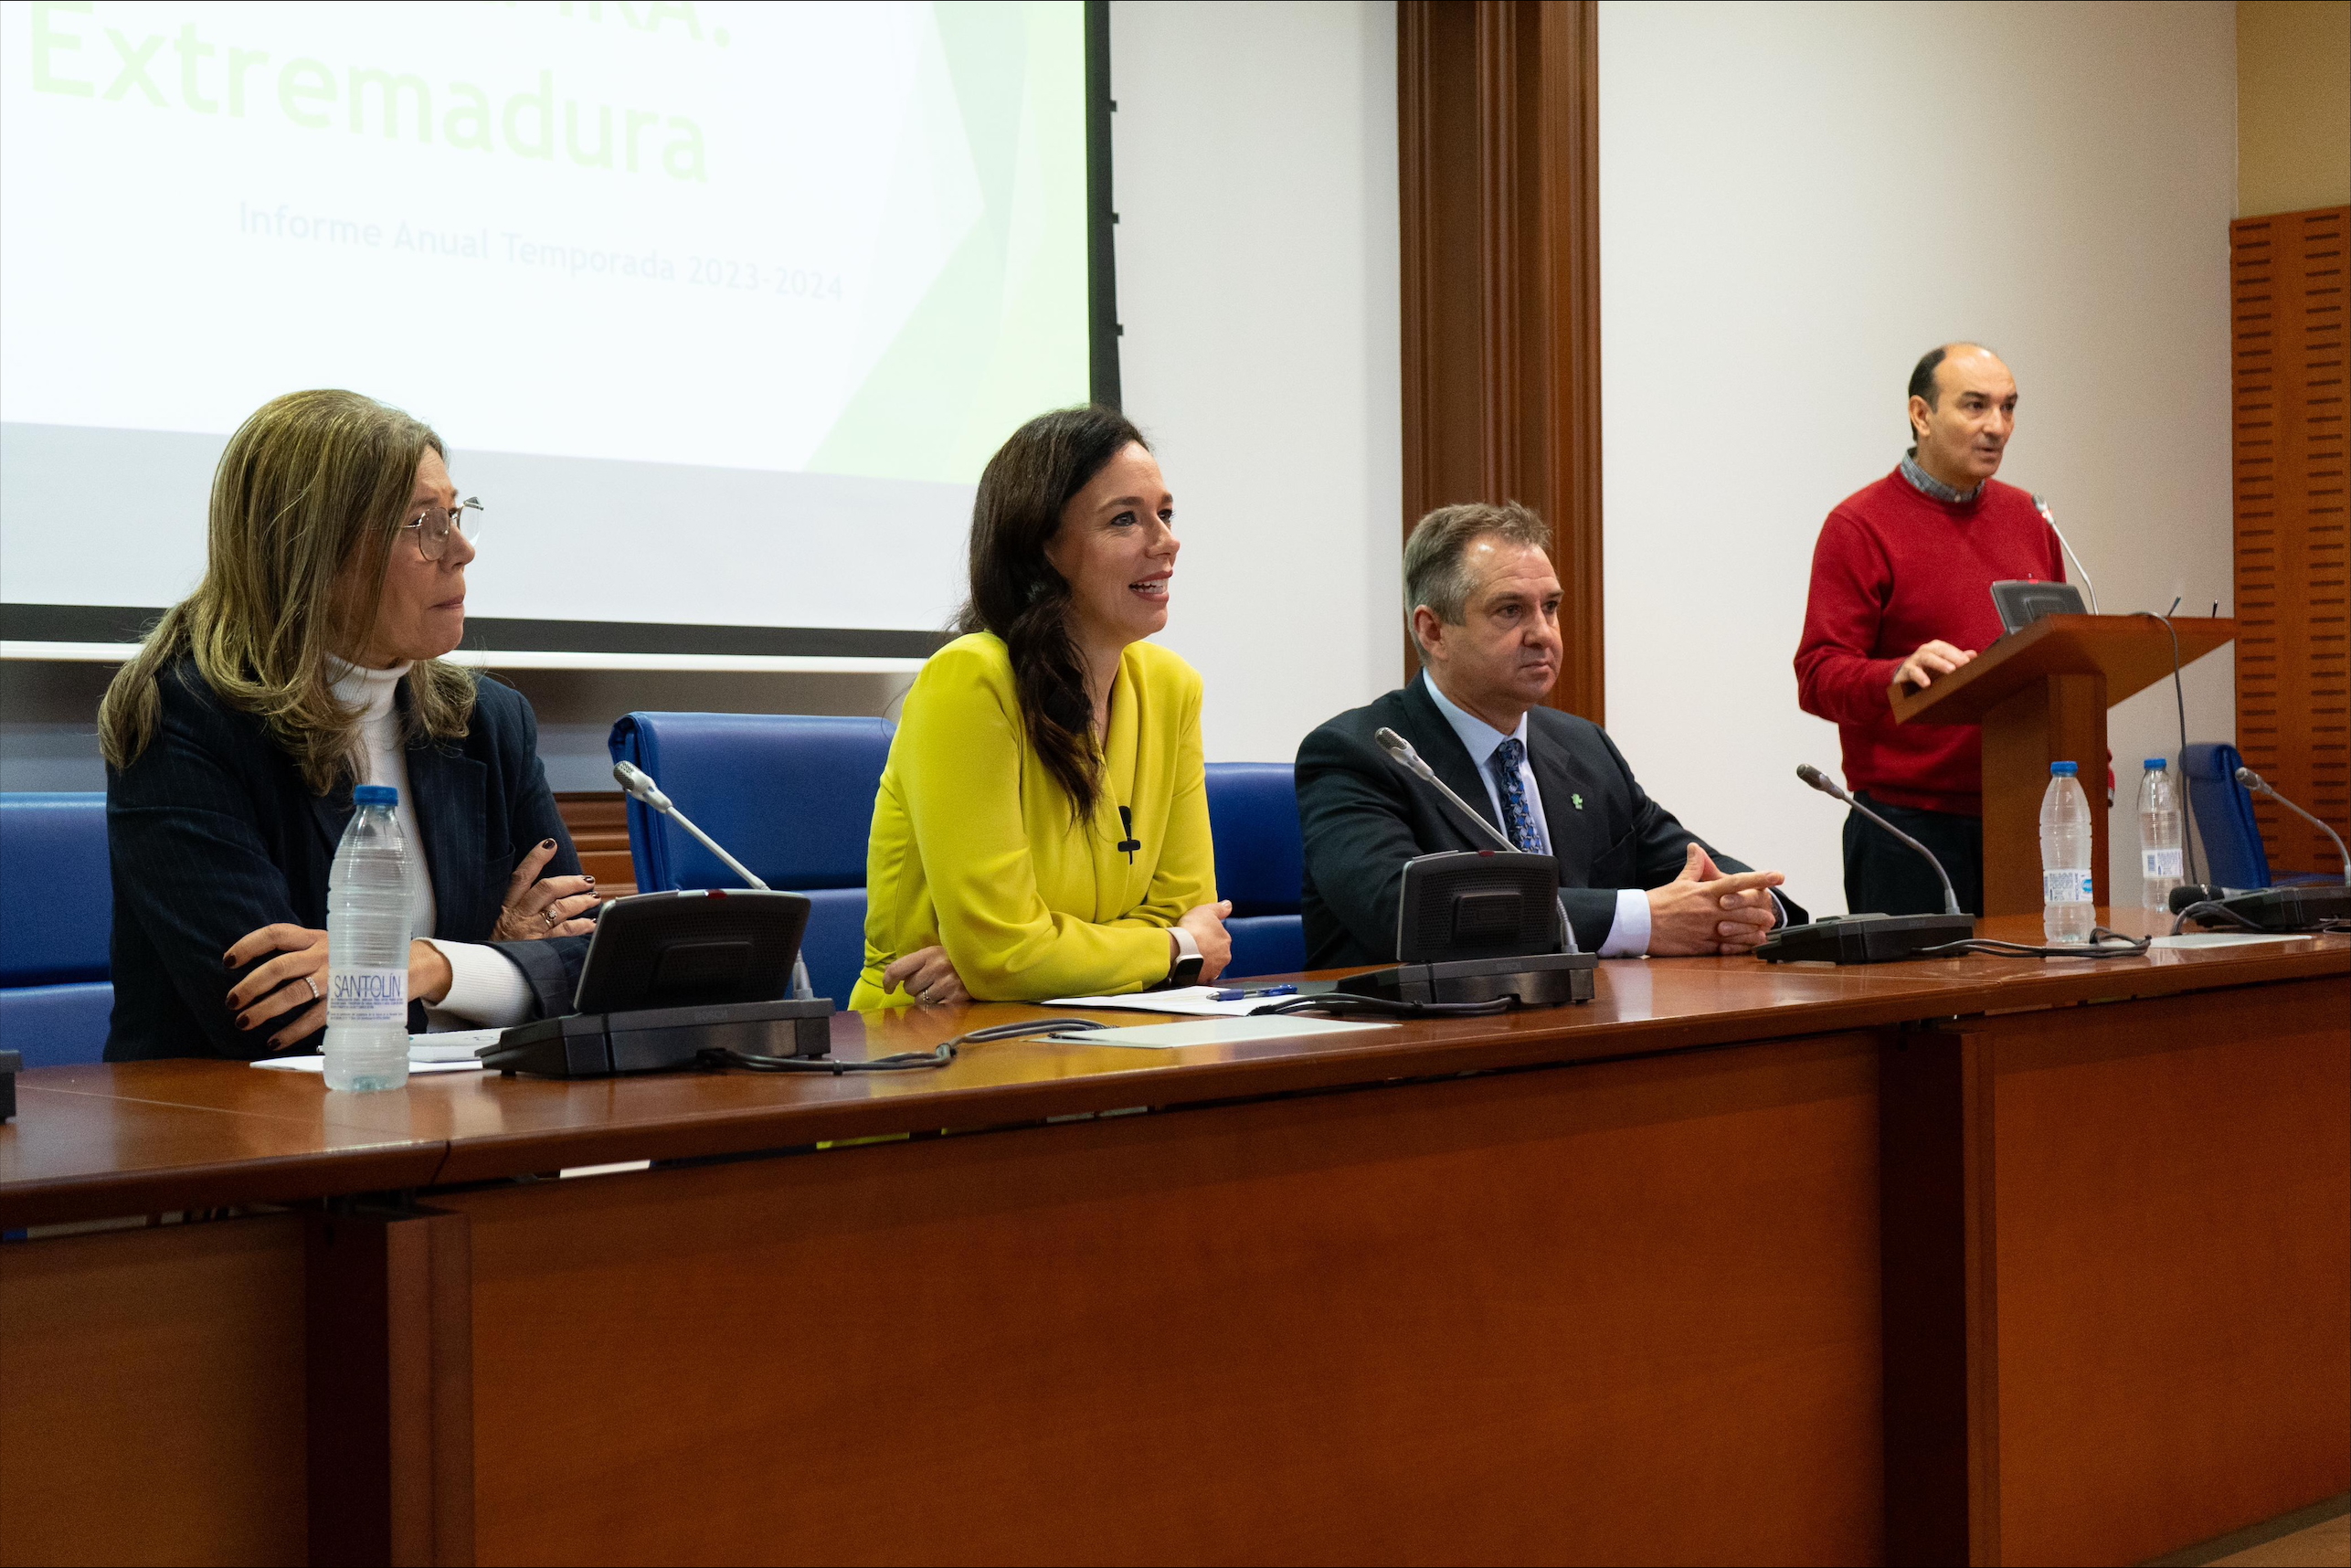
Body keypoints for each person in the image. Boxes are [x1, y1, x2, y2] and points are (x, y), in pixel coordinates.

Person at [98, 389, 597, 1060]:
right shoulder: (186, 721)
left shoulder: (488, 721)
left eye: (456, 515)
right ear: (313, 552)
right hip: (237, 1136)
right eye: (424, 523)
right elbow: (283, 1015)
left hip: (469, 1129)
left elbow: (590, 970)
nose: (461, 551)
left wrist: (435, 967)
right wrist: (498, 968)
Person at [1297, 502, 1803, 965]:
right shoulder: (1360, 754)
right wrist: (1641, 921)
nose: (1543, 633)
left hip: (1576, 1027)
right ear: (1433, 631)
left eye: (1551, 607)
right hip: (1410, 1047)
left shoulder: (1583, 747)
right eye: (1510, 610)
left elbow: (1687, 861)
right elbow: (1412, 914)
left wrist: (1751, 903)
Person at [851, 407, 1231, 1009]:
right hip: (933, 1040)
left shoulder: (1171, 688)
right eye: (1125, 520)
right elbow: (1007, 952)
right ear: (1043, 547)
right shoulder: (970, 679)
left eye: (1165, 513)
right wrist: (1169, 946)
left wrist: (1016, 963)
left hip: (1106, 1024)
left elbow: (1187, 914)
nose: (1166, 541)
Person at [1795, 343, 2066, 917]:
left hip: (2024, 810)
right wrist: (1898, 672)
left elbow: (2059, 657)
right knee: (1921, 1007)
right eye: (1975, 406)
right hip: (1908, 828)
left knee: (2031, 1004)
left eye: (2009, 407)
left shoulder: (2029, 518)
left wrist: (2098, 767)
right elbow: (1817, 675)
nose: (1998, 427)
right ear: (1921, 414)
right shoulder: (1860, 525)